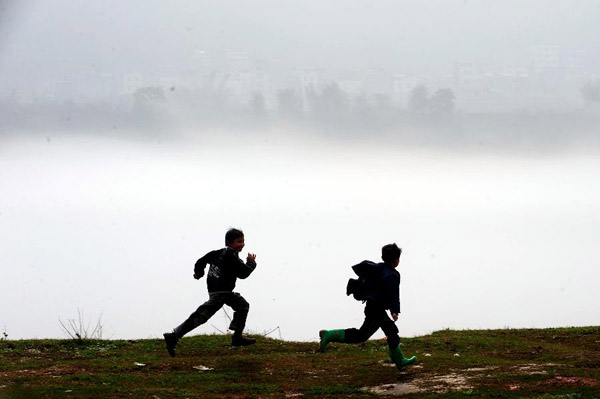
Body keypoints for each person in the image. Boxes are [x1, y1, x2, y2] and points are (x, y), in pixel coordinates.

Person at [319, 243, 416, 370]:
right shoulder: (392, 274)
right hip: (376, 309)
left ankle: (330, 334)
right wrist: (394, 311)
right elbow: (393, 293)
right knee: (391, 331)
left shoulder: (377, 268)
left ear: (383, 257)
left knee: (362, 335)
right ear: (397, 260)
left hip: (373, 307)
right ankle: (399, 359)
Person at [163, 228, 257, 356]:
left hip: (220, 291)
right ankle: (174, 336)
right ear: (229, 243)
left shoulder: (217, 253)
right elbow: (244, 273)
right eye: (239, 242)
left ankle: (237, 337)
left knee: (242, 305)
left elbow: (201, 261)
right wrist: (251, 262)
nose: (242, 244)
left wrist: (198, 273)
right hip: (221, 292)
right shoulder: (231, 256)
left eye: (243, 241)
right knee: (201, 316)